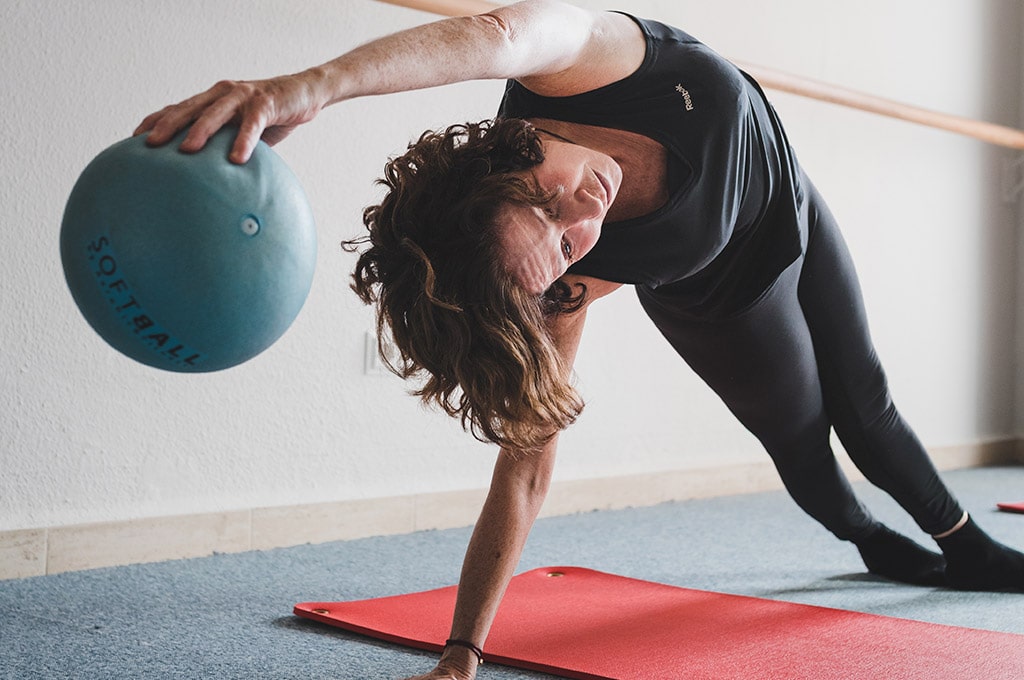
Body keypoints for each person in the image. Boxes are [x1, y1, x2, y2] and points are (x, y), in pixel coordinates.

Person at [136, 2, 1024, 678]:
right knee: (806, 438)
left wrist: (307, 87)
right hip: (725, 296)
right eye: (562, 248)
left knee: (868, 400)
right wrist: (462, 648)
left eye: (546, 200)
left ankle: (965, 543)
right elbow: (524, 467)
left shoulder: (579, 65)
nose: (584, 219)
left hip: (789, 197)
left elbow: (490, 34)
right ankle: (865, 535)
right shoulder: (560, 278)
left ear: (503, 152)